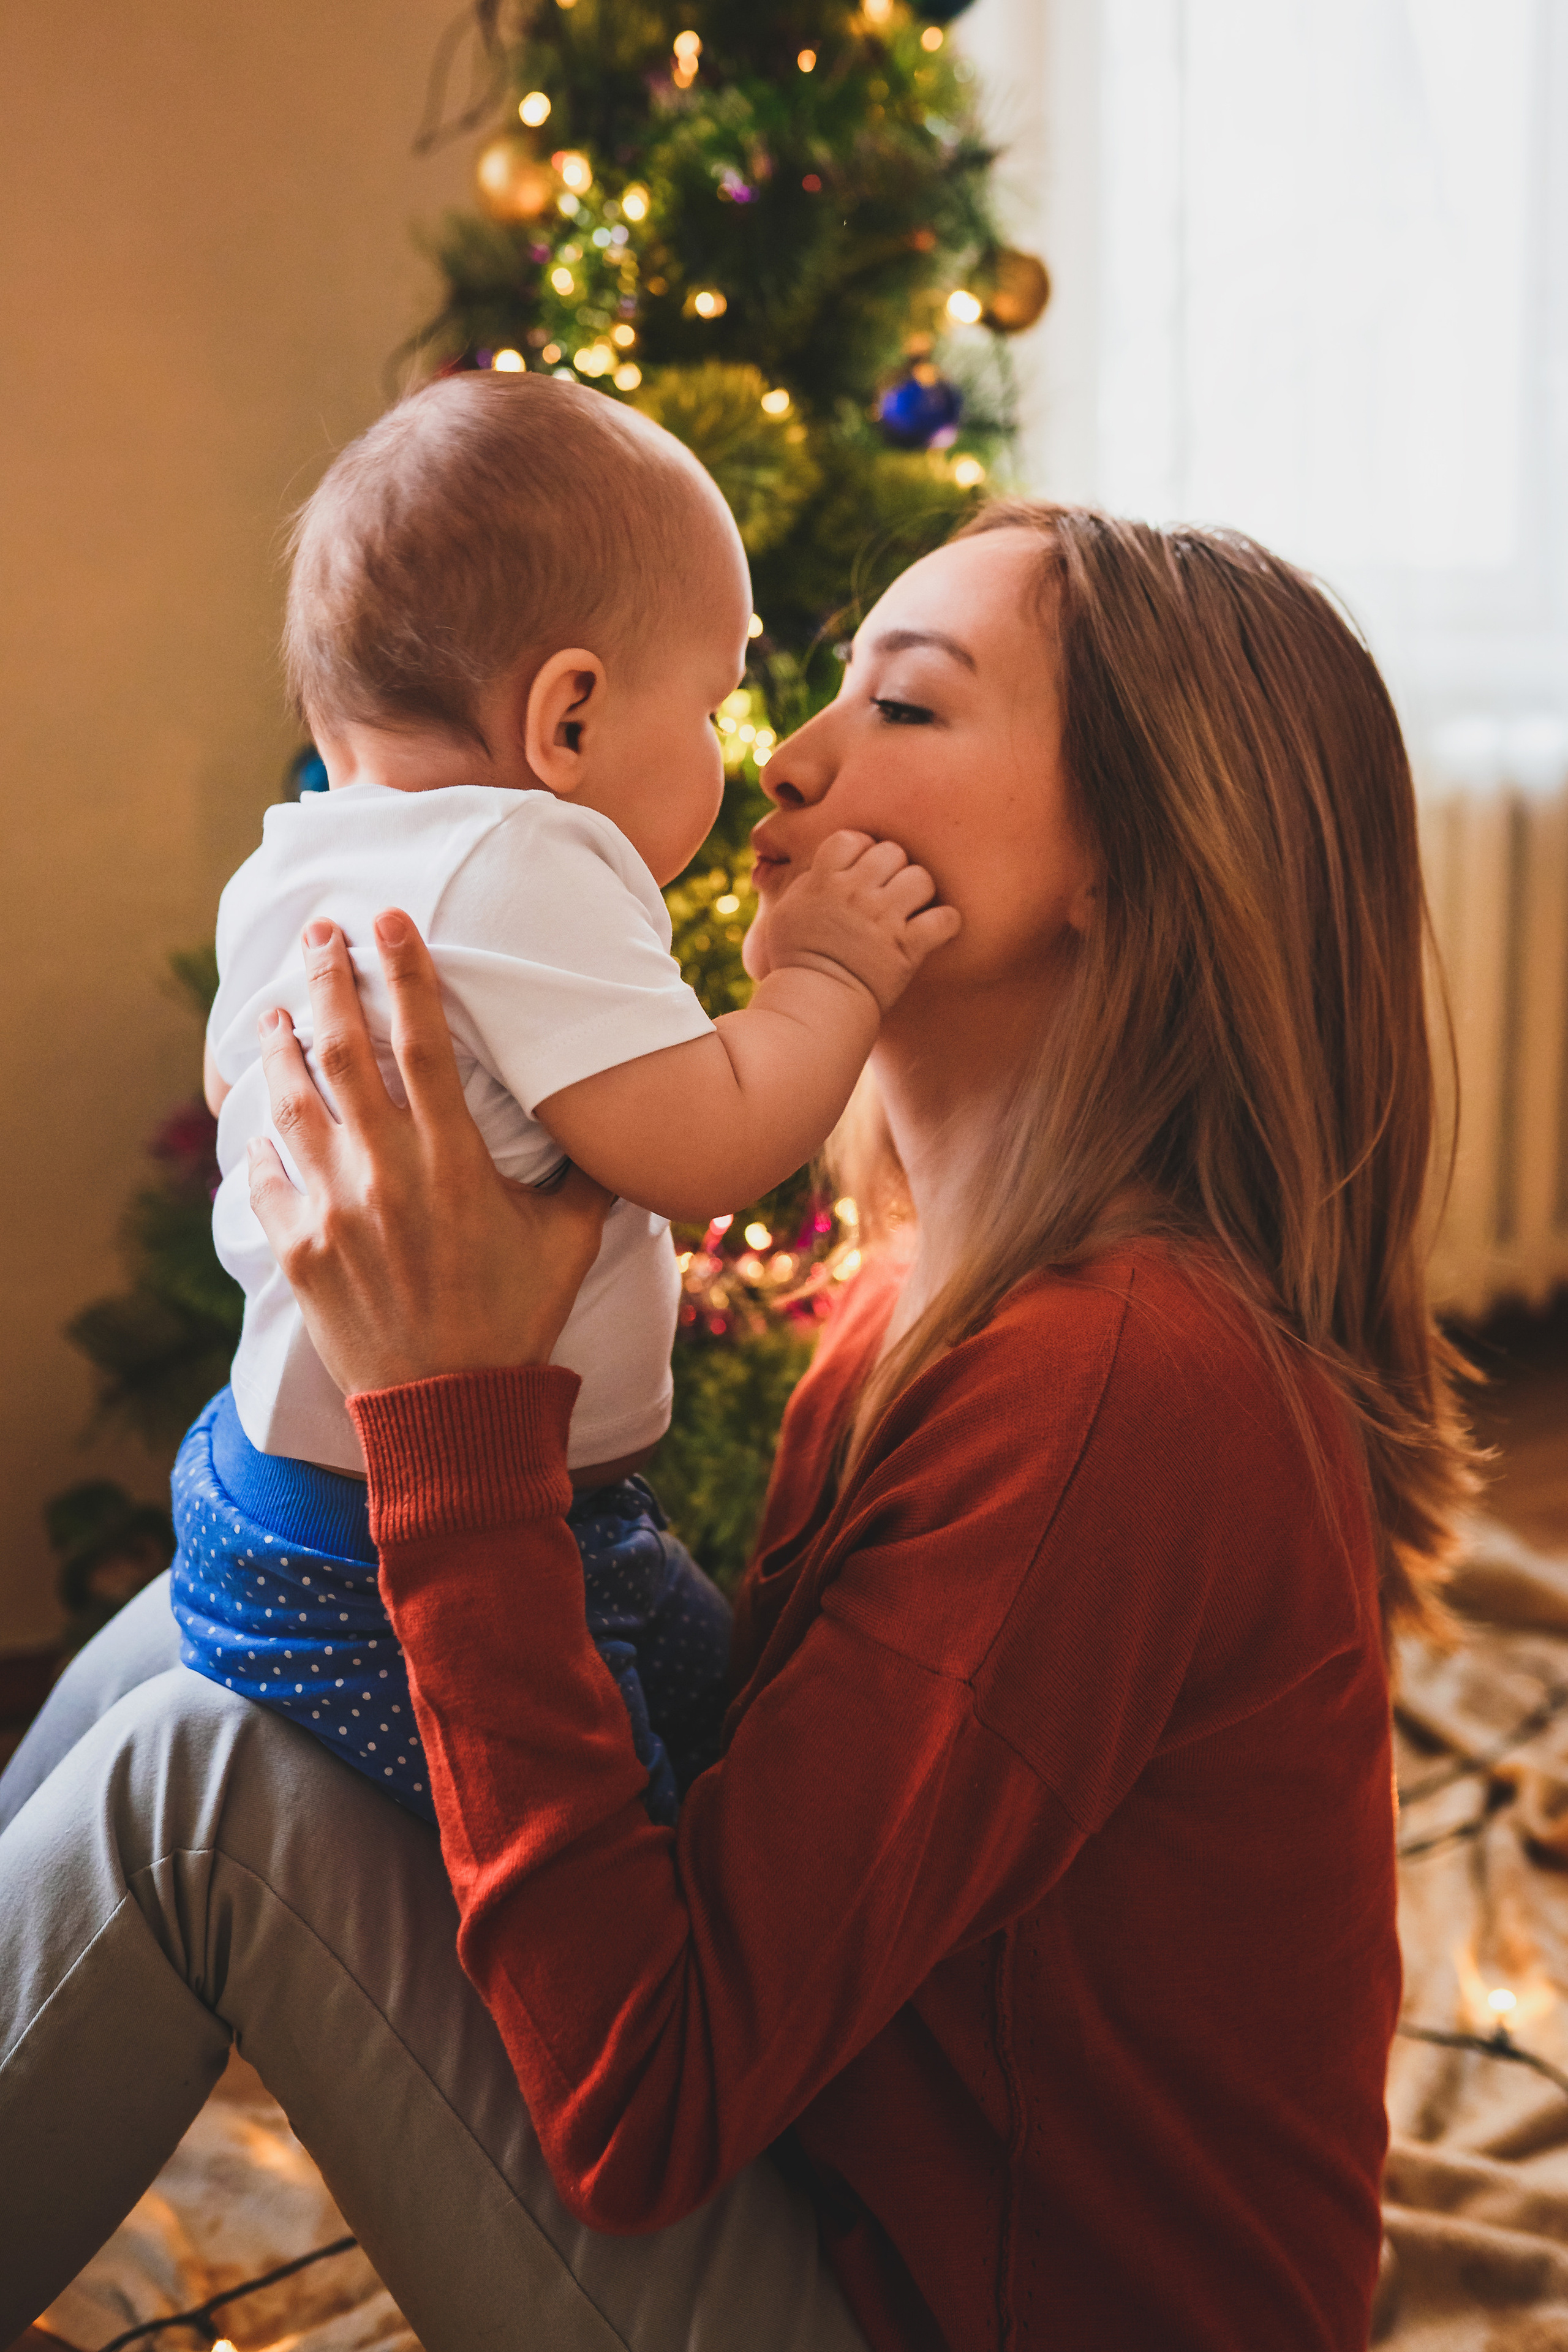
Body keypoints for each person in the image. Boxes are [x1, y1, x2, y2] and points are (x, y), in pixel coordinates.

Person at [0, 503, 1476, 2352]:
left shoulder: (1121, 1390)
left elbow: (655, 2095)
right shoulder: (924, 1302)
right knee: (202, 1631)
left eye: (910, 709)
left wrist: (456, 1420)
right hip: (834, 2176)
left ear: (1133, 860)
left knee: (198, 1791)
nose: (792, 752)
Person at [178, 369, 955, 1824]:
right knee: (639, 1825)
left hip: (261, 1480)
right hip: (401, 1544)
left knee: (723, 1694)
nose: (755, 759)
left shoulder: (293, 860)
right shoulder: (526, 859)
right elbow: (707, 1148)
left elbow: (237, 1080)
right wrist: (827, 981)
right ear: (570, 722)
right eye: (718, 710)